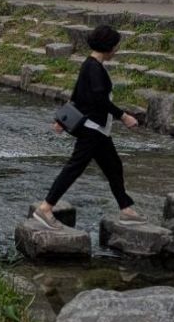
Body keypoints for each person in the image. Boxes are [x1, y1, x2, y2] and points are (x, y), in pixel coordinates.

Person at [33, 24, 142, 228]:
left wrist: (62, 120)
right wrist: (124, 116)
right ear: (109, 47)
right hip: (92, 129)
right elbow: (100, 99)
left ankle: (126, 209)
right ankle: (45, 208)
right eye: (116, 46)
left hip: (98, 130)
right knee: (74, 168)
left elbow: (77, 93)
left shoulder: (90, 64)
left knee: (114, 167)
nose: (116, 50)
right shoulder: (94, 68)